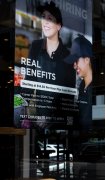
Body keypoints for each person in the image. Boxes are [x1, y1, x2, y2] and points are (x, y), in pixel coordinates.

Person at [18, 1, 76, 129]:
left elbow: (69, 94)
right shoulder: (36, 46)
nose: (45, 22)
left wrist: (54, 118)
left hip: (59, 121)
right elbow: (29, 81)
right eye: (43, 18)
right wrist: (22, 110)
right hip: (38, 120)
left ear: (58, 26)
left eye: (50, 19)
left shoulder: (68, 56)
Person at [64, 34, 93, 131]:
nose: (74, 66)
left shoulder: (93, 88)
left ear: (87, 60)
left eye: (76, 61)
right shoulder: (80, 86)